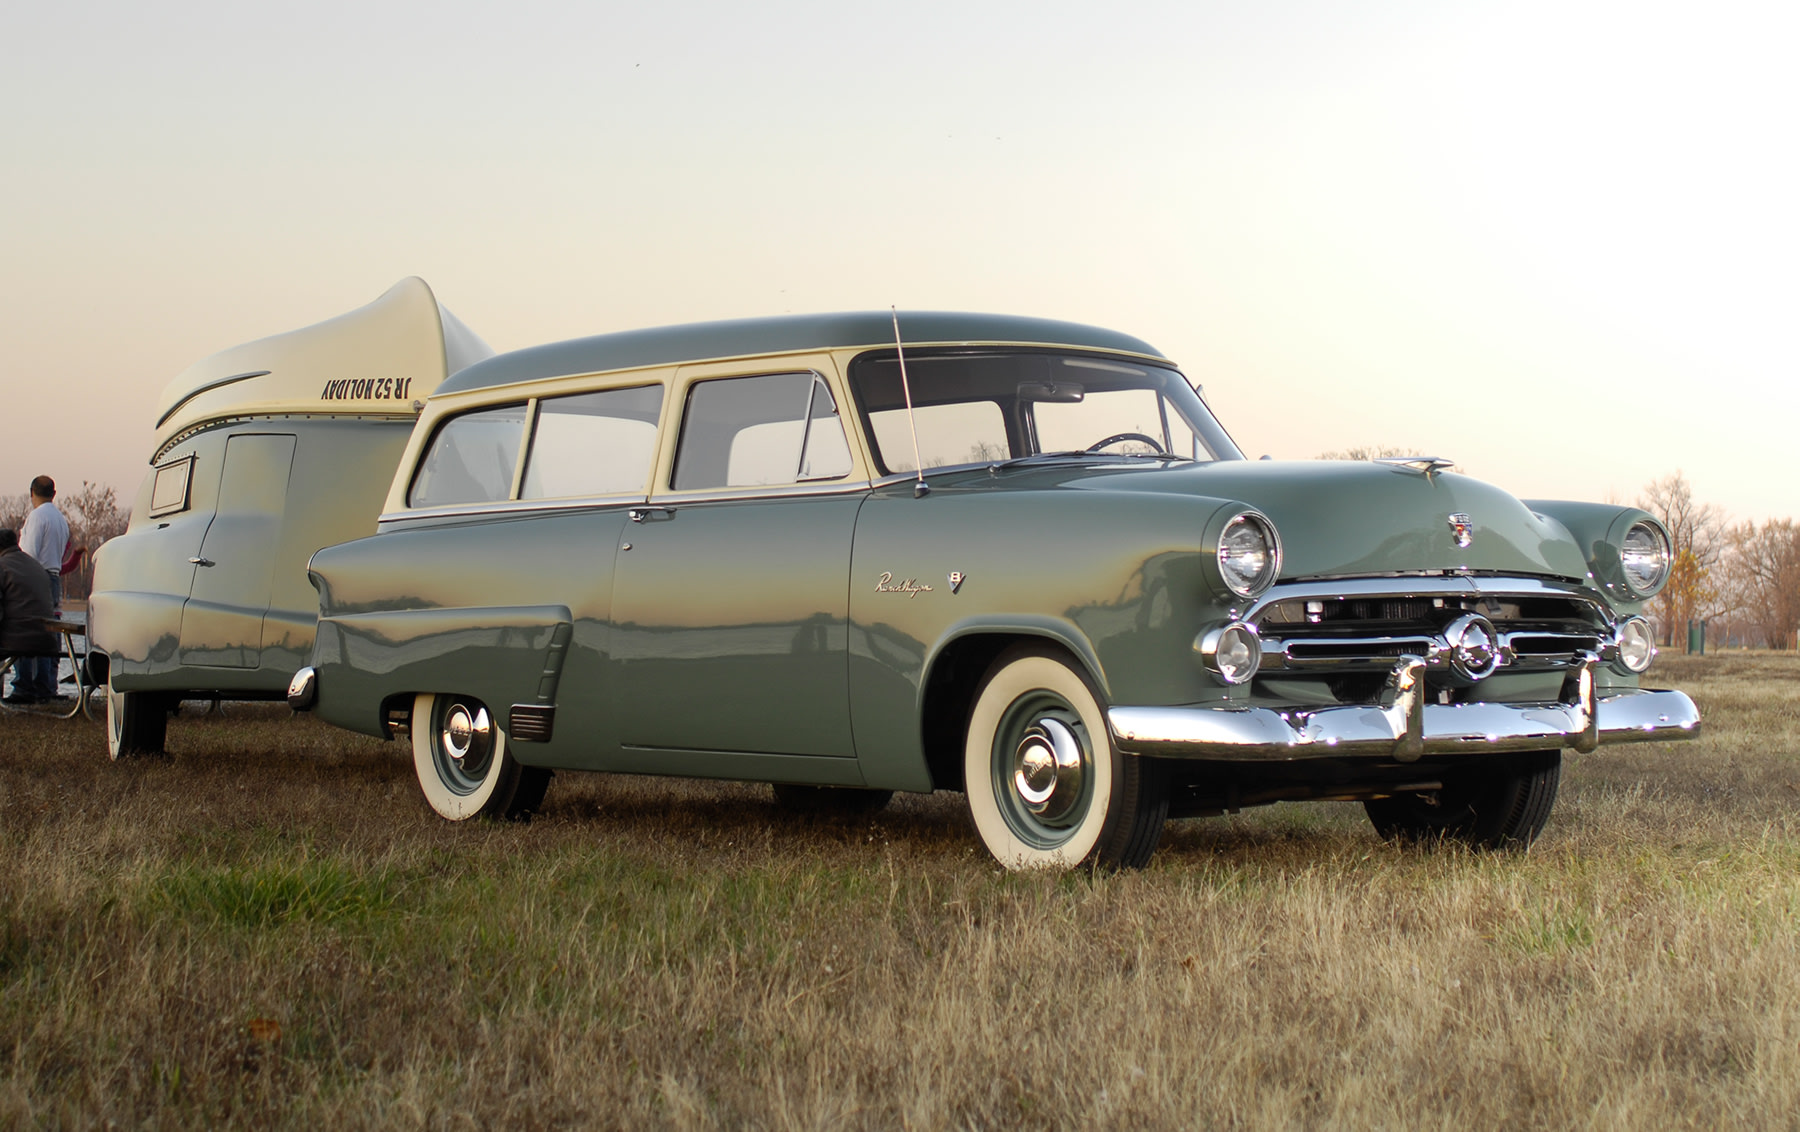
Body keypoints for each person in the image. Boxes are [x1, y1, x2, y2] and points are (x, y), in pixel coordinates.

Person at [13, 476, 69, 702]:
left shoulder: (37, 517)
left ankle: (24, 687)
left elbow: (29, 554)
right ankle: (45, 686)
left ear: (31, 492)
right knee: (47, 634)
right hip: (54, 578)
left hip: (35, 577)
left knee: (24, 630)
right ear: (53, 494)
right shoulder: (60, 519)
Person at [1, 528, 59, 704]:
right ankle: (40, 689)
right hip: (47, 640)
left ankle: (24, 689)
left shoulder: (2, 566)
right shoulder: (35, 565)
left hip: (20, 639)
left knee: (17, 629)